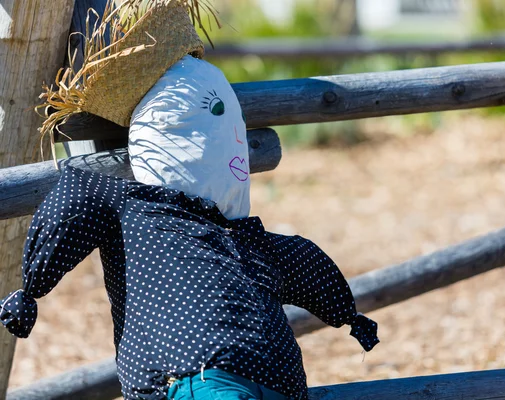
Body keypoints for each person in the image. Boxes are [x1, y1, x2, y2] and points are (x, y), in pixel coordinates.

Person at [0, 1, 379, 399]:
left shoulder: (239, 236)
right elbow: (77, 200)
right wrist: (32, 287)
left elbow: (305, 263)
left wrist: (347, 314)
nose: (235, 143)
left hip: (248, 379)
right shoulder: (135, 206)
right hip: (203, 376)